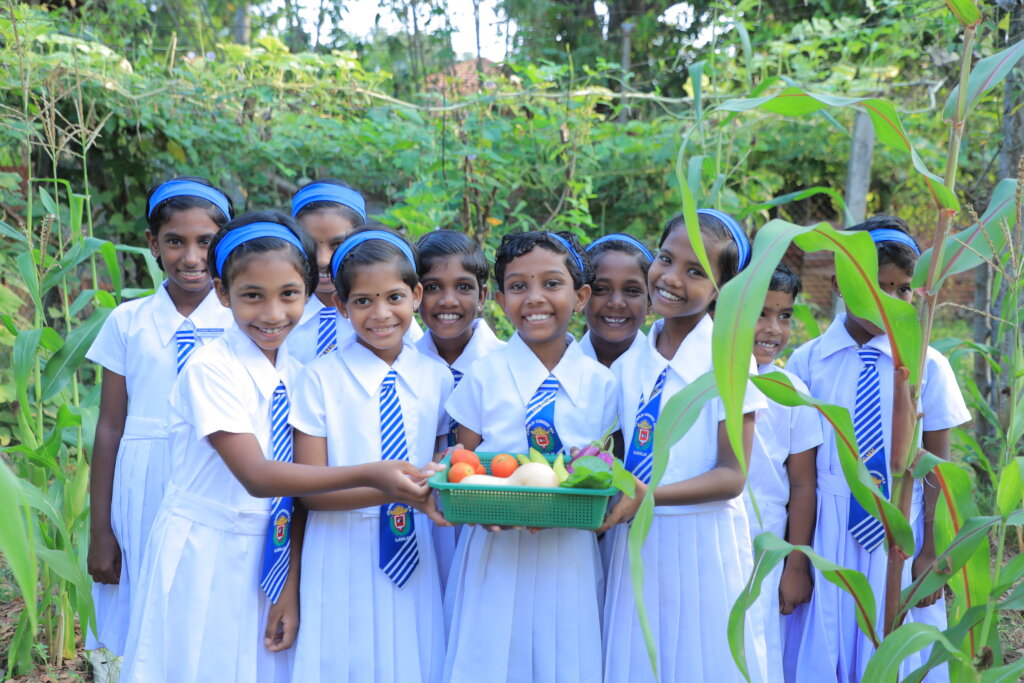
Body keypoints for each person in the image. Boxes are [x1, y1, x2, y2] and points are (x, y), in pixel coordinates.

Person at [120, 212, 439, 683]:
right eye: (252, 296)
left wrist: (288, 586)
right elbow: (259, 476)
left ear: (310, 294)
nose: (273, 314)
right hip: (207, 549)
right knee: (197, 665)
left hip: (271, 552)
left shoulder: (294, 370)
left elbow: (291, 503)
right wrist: (375, 474)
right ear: (223, 294)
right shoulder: (211, 369)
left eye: (289, 295)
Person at [784, 215, 970, 683]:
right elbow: (797, 473)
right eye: (875, 286)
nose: (889, 302)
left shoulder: (928, 364)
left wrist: (930, 549)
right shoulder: (807, 362)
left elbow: (937, 467)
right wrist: (798, 559)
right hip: (829, 532)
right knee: (827, 645)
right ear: (840, 282)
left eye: (902, 289)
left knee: (896, 652)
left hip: (899, 538)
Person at [602, 209, 769, 683]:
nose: (671, 278)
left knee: (699, 658)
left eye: (695, 271)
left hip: (700, 543)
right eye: (665, 259)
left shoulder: (729, 360)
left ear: (723, 289)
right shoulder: (633, 357)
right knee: (640, 657)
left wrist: (647, 496)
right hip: (636, 540)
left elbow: (732, 476)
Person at [443, 231, 617, 683]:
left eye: (552, 284)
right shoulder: (483, 377)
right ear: (499, 300)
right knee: (490, 655)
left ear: (580, 296)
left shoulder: (602, 386)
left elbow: (605, 471)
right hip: (495, 548)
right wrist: (479, 509)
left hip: (569, 552)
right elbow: (464, 469)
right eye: (519, 286)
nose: (535, 298)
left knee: (567, 658)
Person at [289, 228, 453, 682]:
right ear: (341, 306)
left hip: (413, 545)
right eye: (362, 301)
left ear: (417, 295)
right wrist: (387, 488)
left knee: (413, 660)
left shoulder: (436, 377)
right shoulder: (318, 379)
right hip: (340, 549)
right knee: (344, 659)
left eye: (394, 297)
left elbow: (439, 465)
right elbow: (310, 492)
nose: (380, 314)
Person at [85, 177, 235, 655]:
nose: (191, 257)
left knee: (209, 602)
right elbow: (110, 426)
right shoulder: (128, 322)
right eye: (175, 241)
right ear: (153, 244)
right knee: (144, 609)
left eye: (206, 242)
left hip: (221, 477)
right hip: (144, 483)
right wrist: (101, 530)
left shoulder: (243, 322)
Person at [414, 229, 506, 590]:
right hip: (419, 519)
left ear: (483, 296)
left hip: (489, 523)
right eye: (433, 287)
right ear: (416, 293)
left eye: (463, 287)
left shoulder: (506, 366)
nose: (447, 300)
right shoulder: (401, 368)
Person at [746, 263, 822, 682]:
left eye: (785, 315)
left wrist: (796, 565)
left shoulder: (793, 392)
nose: (773, 328)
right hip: (709, 531)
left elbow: (802, 483)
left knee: (758, 645)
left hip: (768, 543)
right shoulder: (705, 381)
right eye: (760, 312)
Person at [286, 179, 420, 364]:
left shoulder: (392, 321)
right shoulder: (282, 318)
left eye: (337, 245)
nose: (323, 259)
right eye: (310, 244)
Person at [580, 233, 653, 367]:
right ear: (581, 297)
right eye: (601, 289)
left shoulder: (663, 373)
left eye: (632, 291)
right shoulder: (555, 370)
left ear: (650, 302)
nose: (616, 302)